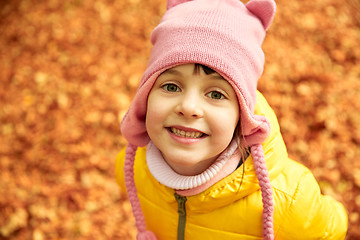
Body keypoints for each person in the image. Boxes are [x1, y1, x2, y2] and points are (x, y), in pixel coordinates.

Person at [115, 0, 348, 239]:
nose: (188, 107)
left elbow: (332, 228)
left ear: (242, 115)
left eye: (216, 94)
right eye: (172, 86)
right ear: (145, 98)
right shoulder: (132, 169)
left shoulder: (292, 201)